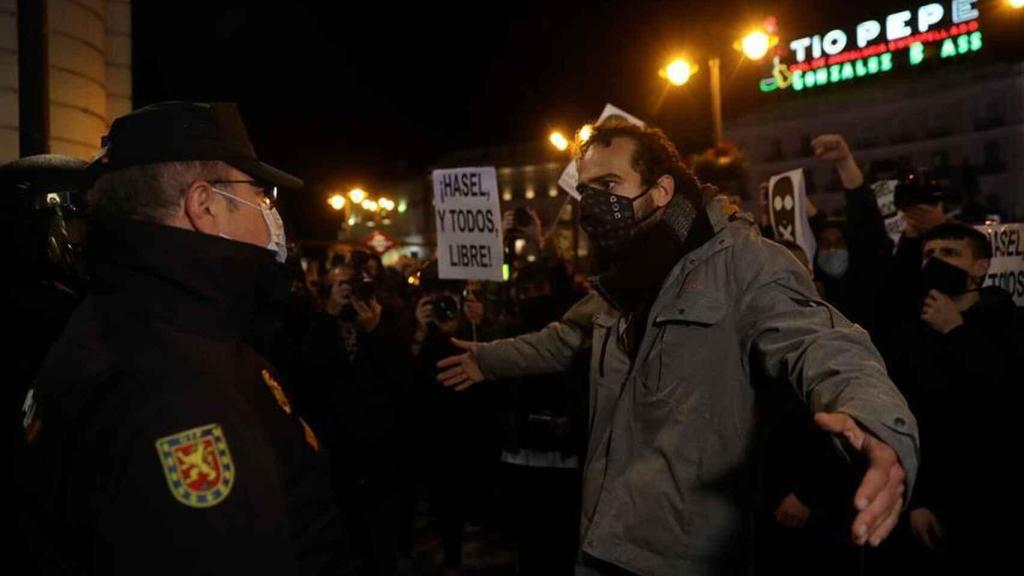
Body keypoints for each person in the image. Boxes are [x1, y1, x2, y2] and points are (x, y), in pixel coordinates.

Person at [436, 120, 919, 575]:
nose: (592, 203)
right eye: (585, 190)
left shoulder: (744, 261)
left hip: (683, 552)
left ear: (662, 190)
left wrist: (878, 426)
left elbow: (823, 342)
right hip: (602, 536)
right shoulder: (624, 278)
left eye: (608, 185)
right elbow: (564, 338)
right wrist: (487, 359)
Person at [17, 101, 351, 575]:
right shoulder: (178, 388)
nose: (269, 213)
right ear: (204, 204)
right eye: (259, 194)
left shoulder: (129, 317)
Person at [883, 222, 1021, 572]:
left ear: (981, 266)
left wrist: (955, 331)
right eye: (929, 254)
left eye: (950, 253)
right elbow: (906, 419)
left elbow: (1004, 396)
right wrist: (917, 499)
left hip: (995, 499)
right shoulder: (908, 334)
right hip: (930, 502)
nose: (936, 261)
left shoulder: (1010, 323)